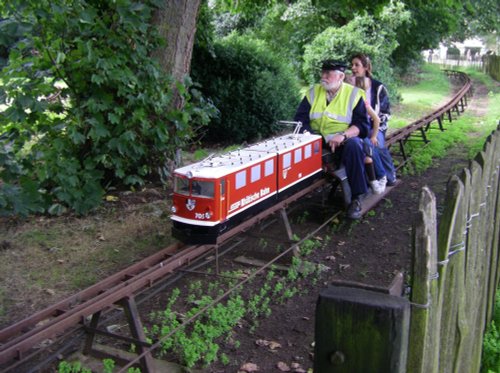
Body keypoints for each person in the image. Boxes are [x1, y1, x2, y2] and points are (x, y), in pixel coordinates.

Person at [294, 59, 371, 219]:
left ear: (341, 76)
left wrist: (343, 135)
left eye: (328, 74)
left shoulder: (354, 94)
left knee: (355, 146)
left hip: (344, 143)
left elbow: (362, 126)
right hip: (317, 142)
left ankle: (357, 197)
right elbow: (300, 120)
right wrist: (311, 138)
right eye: (323, 73)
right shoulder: (313, 92)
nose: (323, 77)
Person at [351, 53, 396, 185]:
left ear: (365, 67)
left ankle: (388, 174)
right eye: (352, 65)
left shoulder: (378, 87)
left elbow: (385, 112)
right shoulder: (350, 87)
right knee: (361, 144)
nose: (353, 68)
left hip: (376, 125)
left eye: (356, 65)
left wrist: (374, 129)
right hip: (358, 125)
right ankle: (370, 178)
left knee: (375, 143)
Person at [345, 74, 385, 194]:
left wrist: (373, 136)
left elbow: (376, 119)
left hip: (362, 132)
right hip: (351, 133)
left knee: (368, 151)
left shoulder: (362, 101)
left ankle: (378, 178)